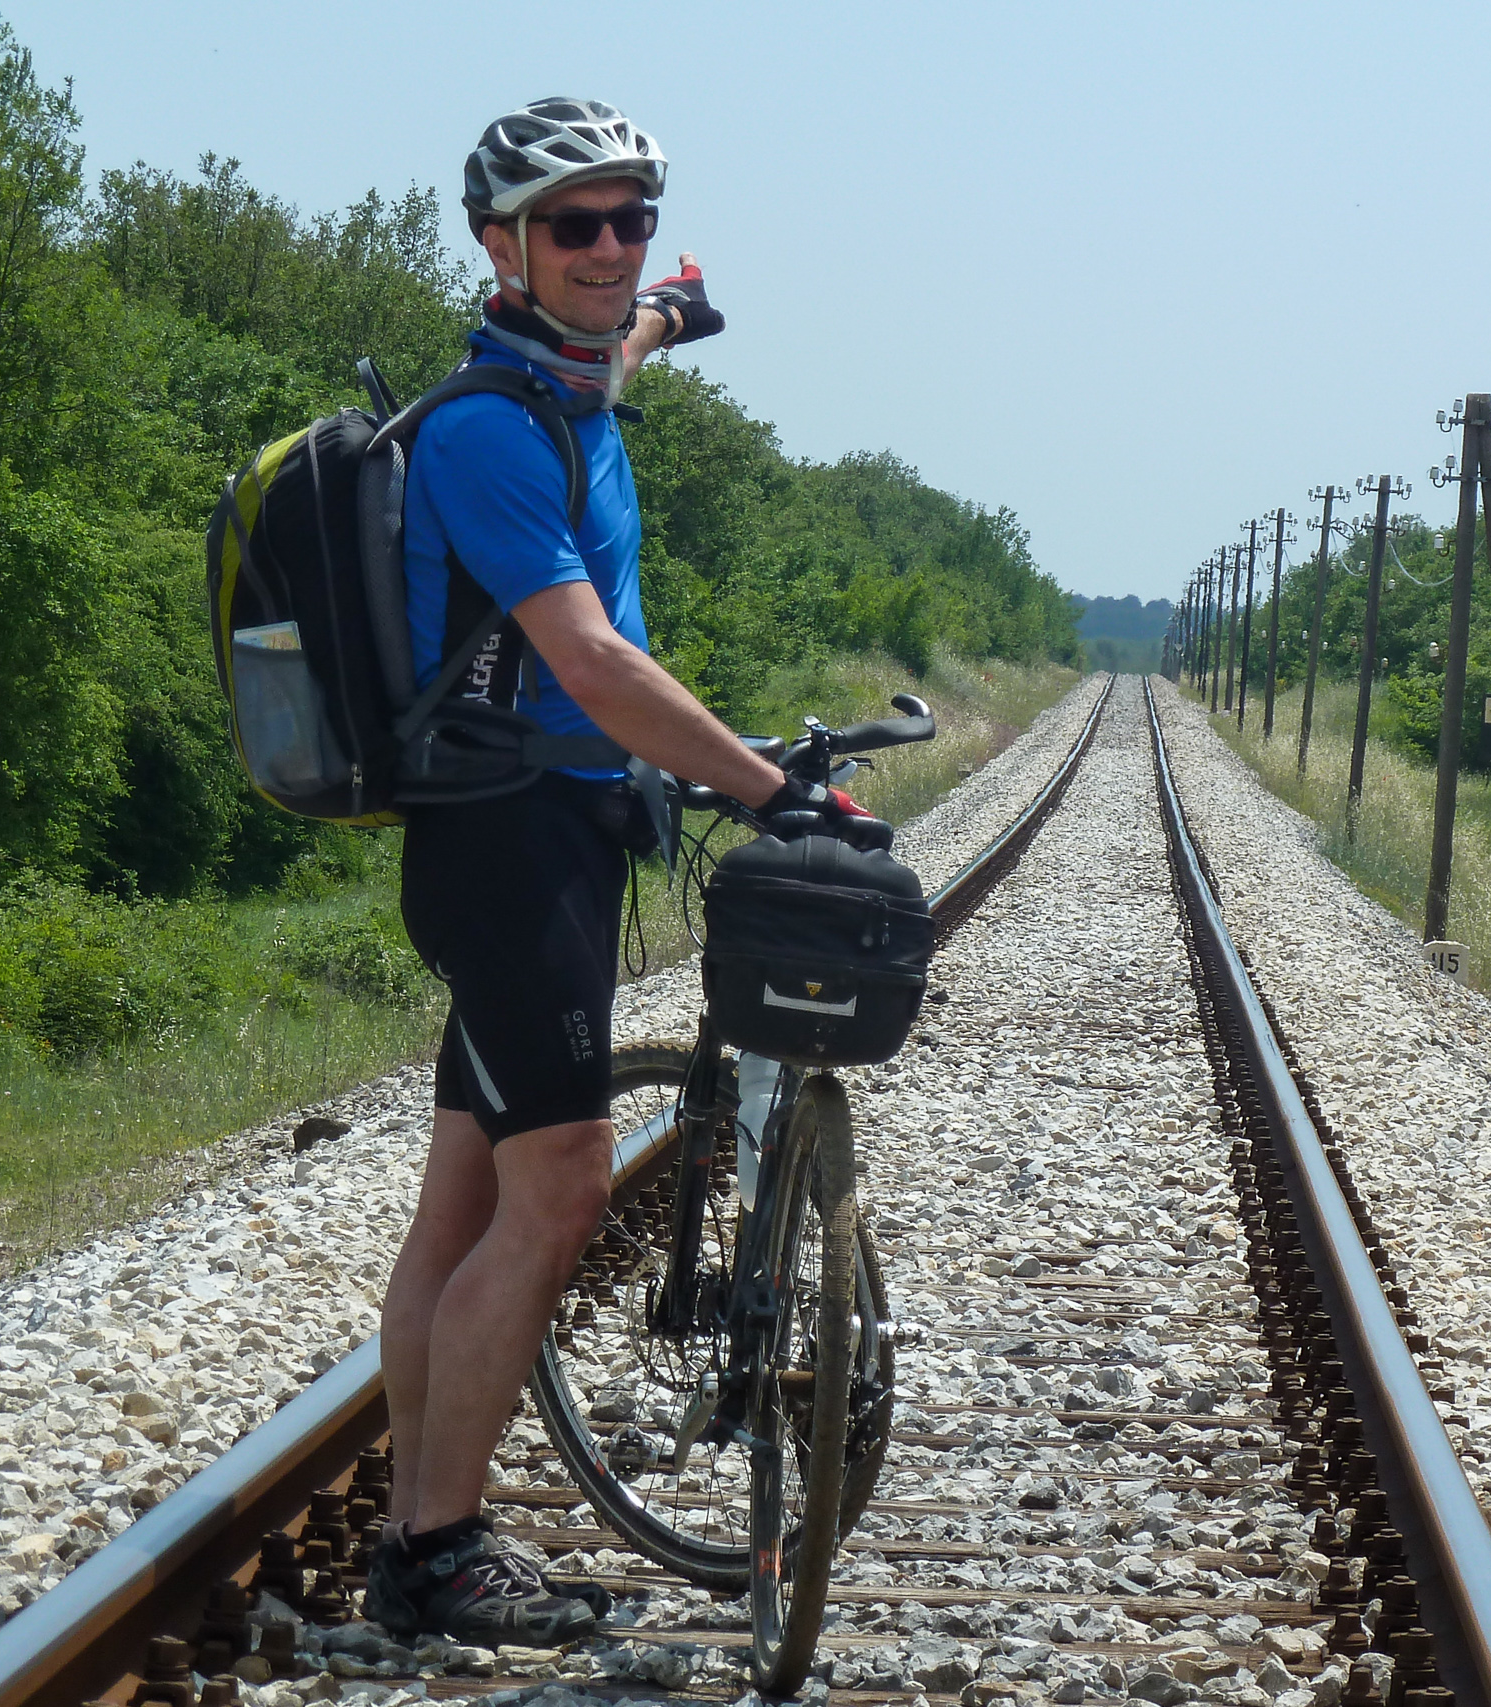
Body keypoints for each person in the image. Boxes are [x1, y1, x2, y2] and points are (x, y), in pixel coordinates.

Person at [363, 96, 879, 1646]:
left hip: (547, 838)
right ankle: (439, 1551)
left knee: (462, 1204)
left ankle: (413, 1523)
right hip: (515, 852)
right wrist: (775, 781)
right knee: (561, 1190)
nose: (608, 249)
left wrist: (669, 312)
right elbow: (587, 661)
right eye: (573, 225)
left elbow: (620, 341)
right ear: (499, 246)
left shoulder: (573, 383)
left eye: (628, 219)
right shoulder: (483, 435)